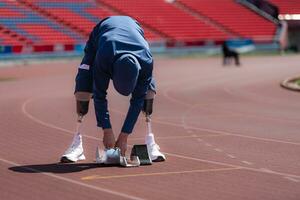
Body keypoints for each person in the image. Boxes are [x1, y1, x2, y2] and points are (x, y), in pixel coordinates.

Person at [60, 16, 166, 163]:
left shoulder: (146, 61)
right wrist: (106, 130)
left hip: (134, 34)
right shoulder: (103, 57)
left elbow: (137, 100)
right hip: (102, 39)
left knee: (148, 95)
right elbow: (99, 95)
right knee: (83, 92)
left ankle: (150, 142)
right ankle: (76, 145)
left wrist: (124, 135)